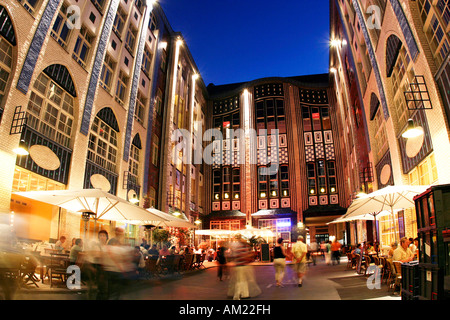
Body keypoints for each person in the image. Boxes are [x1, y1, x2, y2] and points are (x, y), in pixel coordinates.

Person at [227, 236, 261, 300]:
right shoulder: (242, 248)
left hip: (238, 266)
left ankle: (243, 294)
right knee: (242, 281)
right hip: (242, 266)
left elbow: (232, 256)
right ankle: (240, 294)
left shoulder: (236, 248)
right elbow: (245, 256)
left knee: (240, 280)